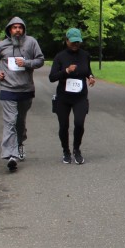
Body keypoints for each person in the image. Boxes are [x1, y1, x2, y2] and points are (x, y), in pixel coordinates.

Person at [0, 17, 45, 172]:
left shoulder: (31, 42)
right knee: (10, 121)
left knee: (20, 122)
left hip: (26, 89)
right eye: (14, 27)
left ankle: (20, 144)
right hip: (7, 89)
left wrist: (27, 63)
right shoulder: (2, 45)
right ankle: (11, 156)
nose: (17, 30)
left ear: (23, 29)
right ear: (9, 29)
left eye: (20, 27)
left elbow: (40, 60)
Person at [49, 28, 95, 164]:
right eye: (73, 42)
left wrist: (91, 77)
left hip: (80, 97)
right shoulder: (60, 57)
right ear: (67, 41)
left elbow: (87, 70)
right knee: (64, 126)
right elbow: (52, 77)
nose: (75, 44)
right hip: (63, 97)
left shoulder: (85, 55)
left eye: (78, 42)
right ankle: (66, 151)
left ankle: (76, 149)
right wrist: (66, 71)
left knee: (79, 124)